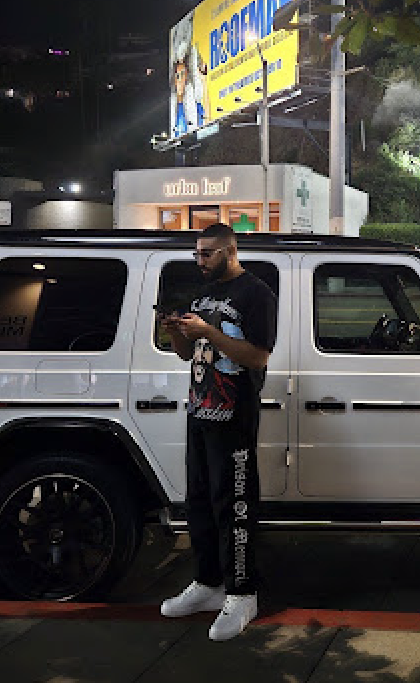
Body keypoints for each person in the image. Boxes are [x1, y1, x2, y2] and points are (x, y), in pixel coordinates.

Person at [159, 223, 277, 641]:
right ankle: (208, 583)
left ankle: (243, 593)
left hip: (234, 418)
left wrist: (209, 331)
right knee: (199, 503)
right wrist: (177, 333)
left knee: (234, 506)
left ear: (229, 250)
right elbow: (188, 355)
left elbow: (258, 357)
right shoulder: (203, 295)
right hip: (200, 411)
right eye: (197, 253)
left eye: (207, 253)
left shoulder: (256, 294)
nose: (200, 260)